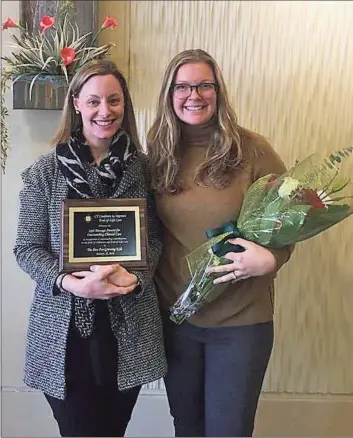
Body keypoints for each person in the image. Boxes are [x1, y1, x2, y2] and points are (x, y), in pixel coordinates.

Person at [14, 59, 166, 438]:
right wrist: (71, 284)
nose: (105, 111)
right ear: (77, 103)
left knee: (113, 429)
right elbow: (27, 248)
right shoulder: (44, 172)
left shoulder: (147, 171)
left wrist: (135, 275)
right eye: (94, 100)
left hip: (127, 328)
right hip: (65, 330)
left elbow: (157, 238)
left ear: (125, 106)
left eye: (114, 101)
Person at [147, 49, 294, 437]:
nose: (193, 94)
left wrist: (272, 259)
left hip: (241, 323)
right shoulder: (158, 153)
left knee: (229, 430)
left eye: (204, 84)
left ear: (218, 91)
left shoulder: (252, 150)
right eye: (182, 86)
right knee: (188, 427)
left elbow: (290, 220)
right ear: (169, 93)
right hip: (176, 318)